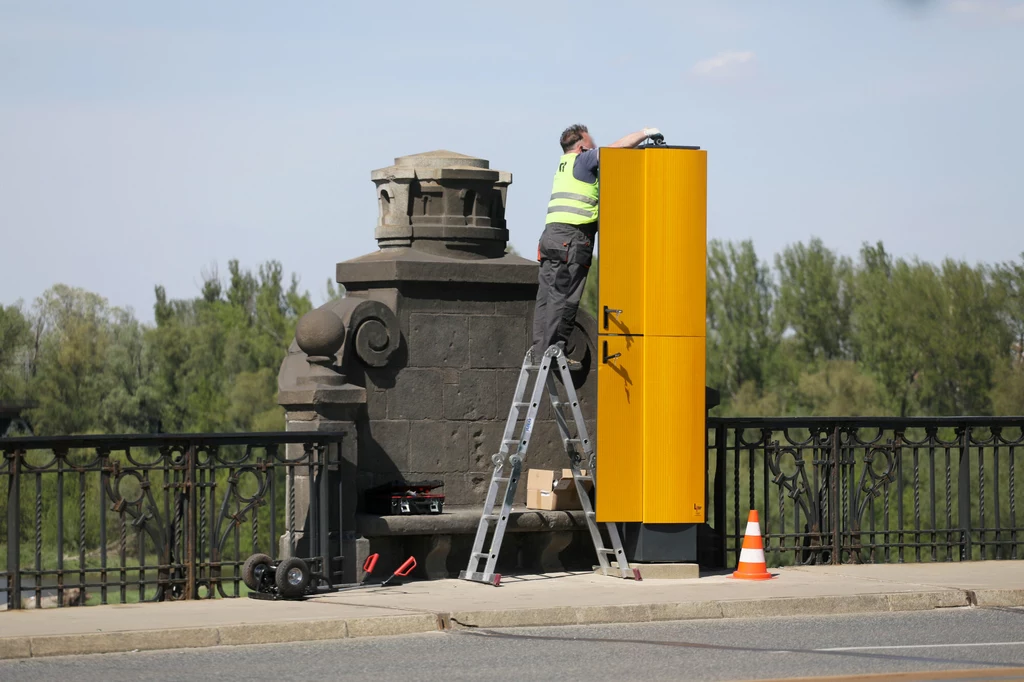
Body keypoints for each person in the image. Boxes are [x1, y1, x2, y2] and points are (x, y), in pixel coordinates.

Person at [530, 124, 662, 368]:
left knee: (546, 296)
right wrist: (645, 133)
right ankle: (553, 352)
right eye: (592, 145)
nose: (595, 150)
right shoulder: (582, 160)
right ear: (581, 147)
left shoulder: (564, 165)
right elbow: (615, 150)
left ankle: (540, 352)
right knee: (565, 297)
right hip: (570, 239)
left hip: (550, 237)